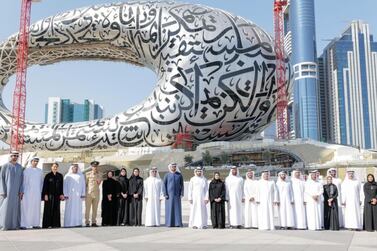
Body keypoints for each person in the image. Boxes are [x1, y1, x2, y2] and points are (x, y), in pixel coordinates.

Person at [0, 151, 24, 230]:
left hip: (16, 192)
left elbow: (21, 180)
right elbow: (1, 179)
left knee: (15, 209)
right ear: (10, 156)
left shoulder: (20, 167)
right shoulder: (5, 166)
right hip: (7, 192)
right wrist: (3, 191)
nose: (15, 157)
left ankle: (14, 226)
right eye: (13, 156)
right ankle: (4, 225)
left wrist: (21, 191)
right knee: (5, 209)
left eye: (16, 156)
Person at [20, 157, 43, 229]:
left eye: (37, 161)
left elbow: (41, 182)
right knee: (26, 208)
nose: (35, 162)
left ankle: (35, 224)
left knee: (36, 208)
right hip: (27, 192)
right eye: (34, 161)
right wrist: (22, 191)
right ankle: (23, 224)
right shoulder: (26, 170)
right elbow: (23, 182)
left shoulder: (40, 171)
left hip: (37, 192)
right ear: (31, 162)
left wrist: (41, 192)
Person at [42, 162, 64, 228]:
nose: (55, 168)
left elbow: (61, 186)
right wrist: (45, 195)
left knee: (56, 209)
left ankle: (55, 224)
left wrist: (61, 194)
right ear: (51, 167)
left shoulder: (60, 176)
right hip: (49, 195)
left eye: (56, 167)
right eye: (54, 166)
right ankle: (47, 224)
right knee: (48, 209)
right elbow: (45, 186)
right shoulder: (48, 175)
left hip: (57, 195)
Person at [163, 163, 184, 227]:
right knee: (169, 209)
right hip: (169, 196)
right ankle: (169, 223)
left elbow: (182, 185)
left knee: (177, 209)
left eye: (175, 167)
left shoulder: (179, 175)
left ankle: (178, 223)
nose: (173, 168)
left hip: (177, 195)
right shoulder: (167, 175)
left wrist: (182, 193)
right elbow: (164, 185)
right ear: (170, 167)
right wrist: (165, 194)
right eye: (172, 167)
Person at [85, 161, 102, 227]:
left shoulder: (100, 174)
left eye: (96, 166)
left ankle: (94, 222)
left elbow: (99, 183)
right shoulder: (87, 174)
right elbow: (86, 184)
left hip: (96, 193)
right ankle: (87, 222)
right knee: (87, 209)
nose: (95, 167)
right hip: (89, 193)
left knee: (95, 209)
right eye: (93, 166)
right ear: (91, 167)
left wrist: (97, 176)